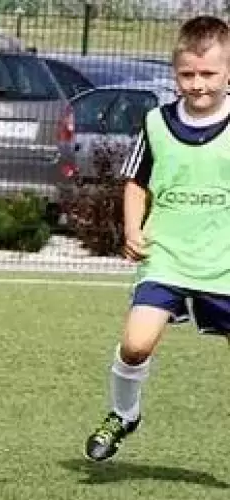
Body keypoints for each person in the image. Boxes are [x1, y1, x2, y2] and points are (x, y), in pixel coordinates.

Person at [86, 16, 230, 461]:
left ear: (228, 72)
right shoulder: (157, 122)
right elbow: (136, 182)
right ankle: (123, 413)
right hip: (166, 255)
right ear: (175, 74)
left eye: (209, 74)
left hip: (224, 262)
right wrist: (133, 228)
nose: (198, 84)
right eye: (187, 74)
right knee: (135, 344)